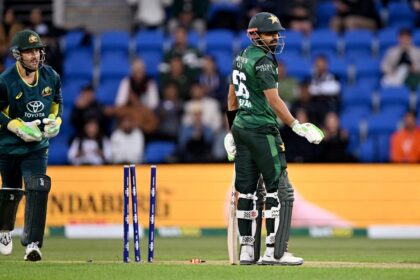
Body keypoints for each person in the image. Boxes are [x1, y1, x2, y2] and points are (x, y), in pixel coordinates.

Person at [224, 12, 324, 265]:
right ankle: (274, 252)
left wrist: (231, 131)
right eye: (271, 33)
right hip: (262, 130)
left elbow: (231, 99)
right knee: (277, 190)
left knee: (245, 193)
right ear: (254, 35)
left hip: (242, 129)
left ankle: (247, 252)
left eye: (277, 33)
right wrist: (296, 125)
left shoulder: (240, 58)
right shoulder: (264, 62)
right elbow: (274, 100)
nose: (276, 37)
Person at [0, 29, 63, 261]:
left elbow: (58, 103)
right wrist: (15, 126)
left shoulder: (51, 77)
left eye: (37, 50)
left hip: (37, 146)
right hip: (8, 146)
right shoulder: (6, 81)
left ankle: (33, 244)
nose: (35, 55)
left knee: (37, 186)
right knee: (11, 190)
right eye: (29, 52)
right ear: (18, 55)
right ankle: (4, 231)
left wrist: (56, 121)